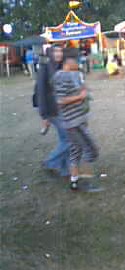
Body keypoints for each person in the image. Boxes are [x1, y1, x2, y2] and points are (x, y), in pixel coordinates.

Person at [54, 54, 99, 191]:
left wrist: (84, 90)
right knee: (90, 150)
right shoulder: (60, 77)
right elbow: (60, 100)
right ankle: (83, 178)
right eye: (75, 63)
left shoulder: (74, 75)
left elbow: (82, 90)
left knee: (76, 150)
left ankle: (74, 181)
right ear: (67, 64)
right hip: (72, 123)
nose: (77, 65)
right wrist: (79, 97)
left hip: (80, 119)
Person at [36, 45, 69, 177]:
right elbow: (40, 92)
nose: (58, 54)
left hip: (62, 108)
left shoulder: (61, 66)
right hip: (52, 110)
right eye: (55, 51)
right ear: (50, 53)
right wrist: (44, 115)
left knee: (64, 138)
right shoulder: (44, 68)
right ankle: (50, 162)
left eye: (60, 51)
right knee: (69, 139)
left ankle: (64, 169)